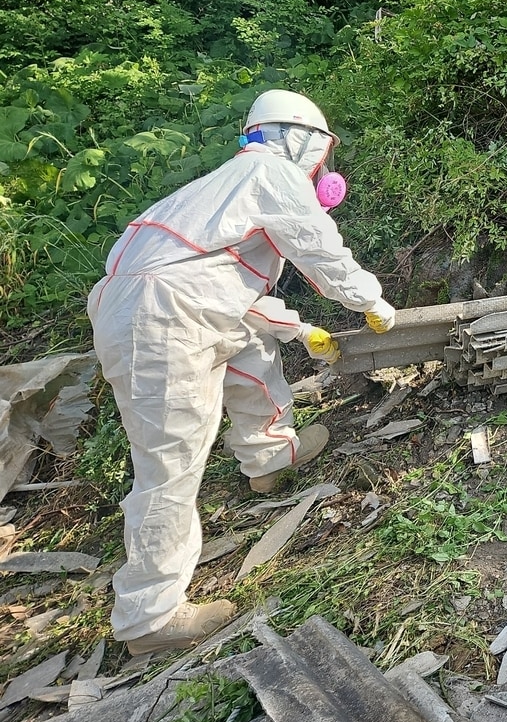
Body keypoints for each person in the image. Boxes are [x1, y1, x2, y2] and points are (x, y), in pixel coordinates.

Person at [87, 90, 397, 654]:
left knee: (252, 350)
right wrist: (370, 301)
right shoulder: (269, 174)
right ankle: (149, 617)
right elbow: (320, 249)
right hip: (162, 318)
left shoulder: (214, 193)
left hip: (167, 306)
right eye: (322, 152)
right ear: (300, 139)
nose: (323, 168)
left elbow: (222, 288)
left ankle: (270, 458)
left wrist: (300, 330)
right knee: (170, 461)